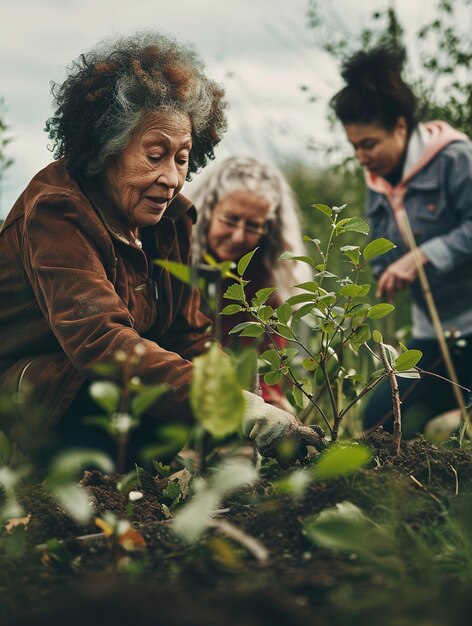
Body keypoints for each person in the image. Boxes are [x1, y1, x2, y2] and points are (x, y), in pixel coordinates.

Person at [0, 31, 319, 467]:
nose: (171, 177)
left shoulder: (169, 222)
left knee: (172, 389)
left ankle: (142, 483)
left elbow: (189, 336)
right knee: (107, 388)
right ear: (107, 148)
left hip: (111, 398)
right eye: (155, 155)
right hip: (42, 396)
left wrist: (252, 405)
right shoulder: (56, 213)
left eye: (182, 158)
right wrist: (235, 409)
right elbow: (101, 343)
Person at [331, 45, 472, 437]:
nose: (361, 156)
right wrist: (387, 271)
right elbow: (382, 246)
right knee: (381, 424)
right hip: (433, 335)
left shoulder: (456, 159)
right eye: (354, 146)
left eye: (369, 144)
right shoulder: (378, 181)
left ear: (399, 127)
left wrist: (422, 257)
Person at [188, 156, 312, 410]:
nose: (238, 236)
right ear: (209, 209)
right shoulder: (175, 257)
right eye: (230, 220)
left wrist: (269, 403)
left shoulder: (268, 274)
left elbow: (266, 359)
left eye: (253, 226)